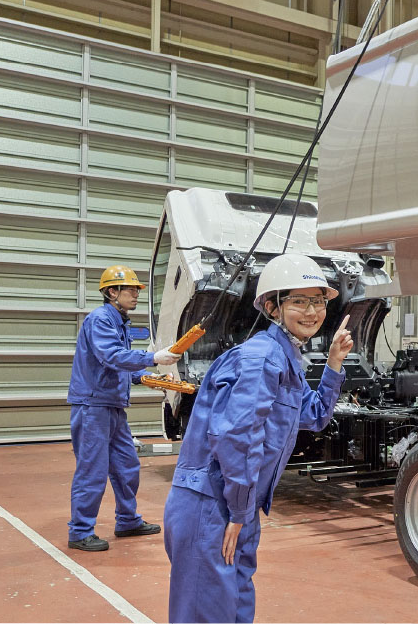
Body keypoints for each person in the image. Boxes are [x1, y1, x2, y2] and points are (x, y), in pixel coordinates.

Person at [163, 253, 354, 624]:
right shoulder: (261, 358)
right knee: (207, 613)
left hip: (238, 503)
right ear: (272, 307)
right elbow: (237, 438)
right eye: (298, 301)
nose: (312, 311)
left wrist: (334, 364)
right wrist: (237, 510)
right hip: (212, 503)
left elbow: (313, 417)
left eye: (317, 301)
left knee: (235, 609)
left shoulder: (285, 360)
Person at [67, 265, 181, 552]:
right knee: (92, 470)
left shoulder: (120, 322)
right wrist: (153, 357)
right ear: (111, 292)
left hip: (113, 406)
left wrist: (147, 378)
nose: (136, 294)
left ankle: (128, 521)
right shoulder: (100, 320)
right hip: (92, 405)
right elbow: (111, 356)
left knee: (127, 465)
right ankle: (80, 531)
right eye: (130, 289)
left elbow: (118, 367)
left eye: (136, 289)